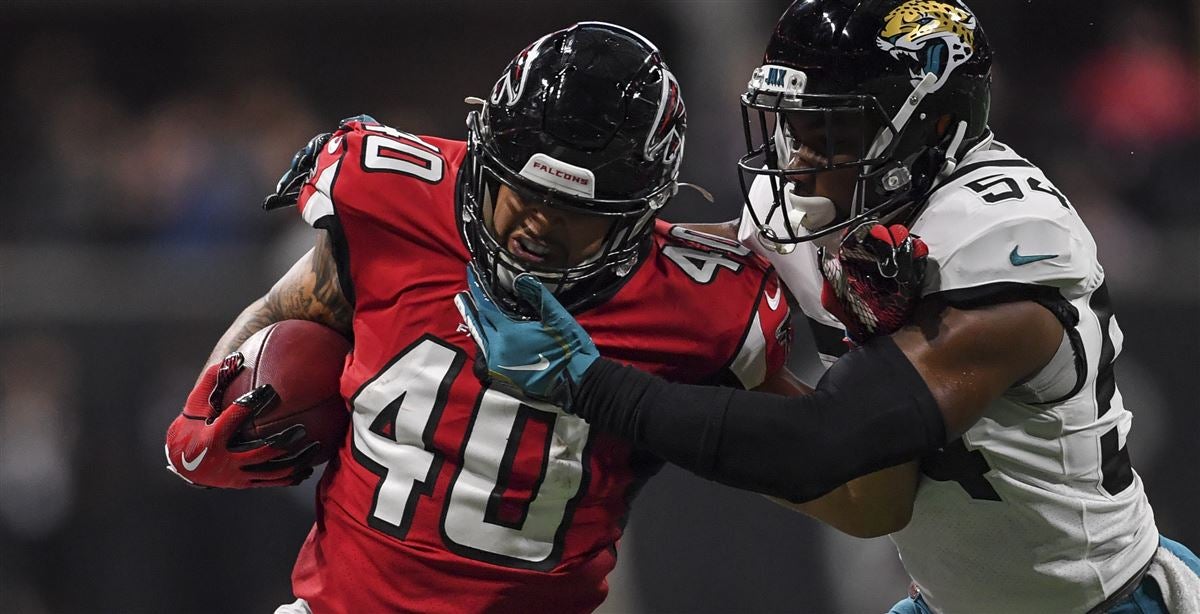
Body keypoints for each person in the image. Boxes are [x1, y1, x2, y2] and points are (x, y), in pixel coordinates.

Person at [457, 2, 1200, 612]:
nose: (798, 154)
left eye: (830, 128)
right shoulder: (828, 194)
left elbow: (826, 442)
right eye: (790, 121)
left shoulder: (1006, 241)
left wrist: (590, 383)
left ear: (931, 125)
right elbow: (671, 268)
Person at [162, 22, 809, 613]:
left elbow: (818, 464)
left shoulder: (699, 305)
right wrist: (214, 397)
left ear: (634, 214)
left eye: (572, 210)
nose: (536, 222)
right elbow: (287, 308)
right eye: (522, 190)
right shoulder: (391, 199)